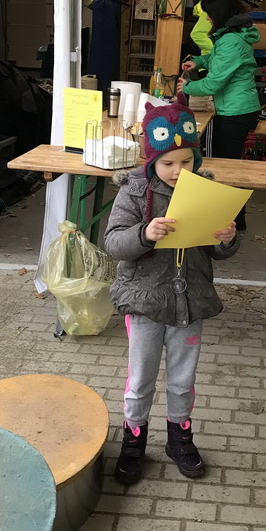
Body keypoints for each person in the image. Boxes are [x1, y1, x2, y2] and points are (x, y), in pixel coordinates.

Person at [104, 92, 239, 485]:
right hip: (145, 302)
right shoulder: (134, 191)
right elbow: (113, 242)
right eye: (167, 163)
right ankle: (133, 440)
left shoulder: (205, 191)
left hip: (190, 301)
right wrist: (144, 233)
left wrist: (227, 239)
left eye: (187, 162)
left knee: (183, 379)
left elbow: (217, 251)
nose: (178, 171)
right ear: (151, 161)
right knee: (140, 379)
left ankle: (180, 438)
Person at [179, 0, 261, 229]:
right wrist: (198, 61)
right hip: (236, 108)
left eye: (209, 14)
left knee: (227, 167)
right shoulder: (231, 35)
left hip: (236, 111)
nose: (207, 18)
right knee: (229, 164)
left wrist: (187, 87)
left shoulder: (230, 41)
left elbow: (214, 83)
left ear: (219, 13)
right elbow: (216, 59)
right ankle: (234, 218)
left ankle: (231, 220)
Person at [190, 0, 266, 56]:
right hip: (214, 59)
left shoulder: (235, 11)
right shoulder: (220, 7)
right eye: (251, 7)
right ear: (243, 1)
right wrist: (220, 52)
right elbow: (198, 34)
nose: (251, 11)